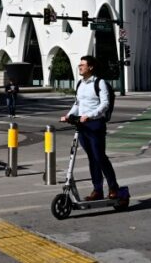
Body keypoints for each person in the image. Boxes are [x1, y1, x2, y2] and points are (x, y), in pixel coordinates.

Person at [60, 55, 119, 201]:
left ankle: (113, 187)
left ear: (90, 67)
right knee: (92, 158)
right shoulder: (80, 84)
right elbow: (77, 104)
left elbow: (104, 104)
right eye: (79, 64)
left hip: (95, 124)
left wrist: (90, 115)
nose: (80, 67)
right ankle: (97, 190)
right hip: (82, 125)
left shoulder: (100, 83)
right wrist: (68, 115)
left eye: (82, 65)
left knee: (100, 157)